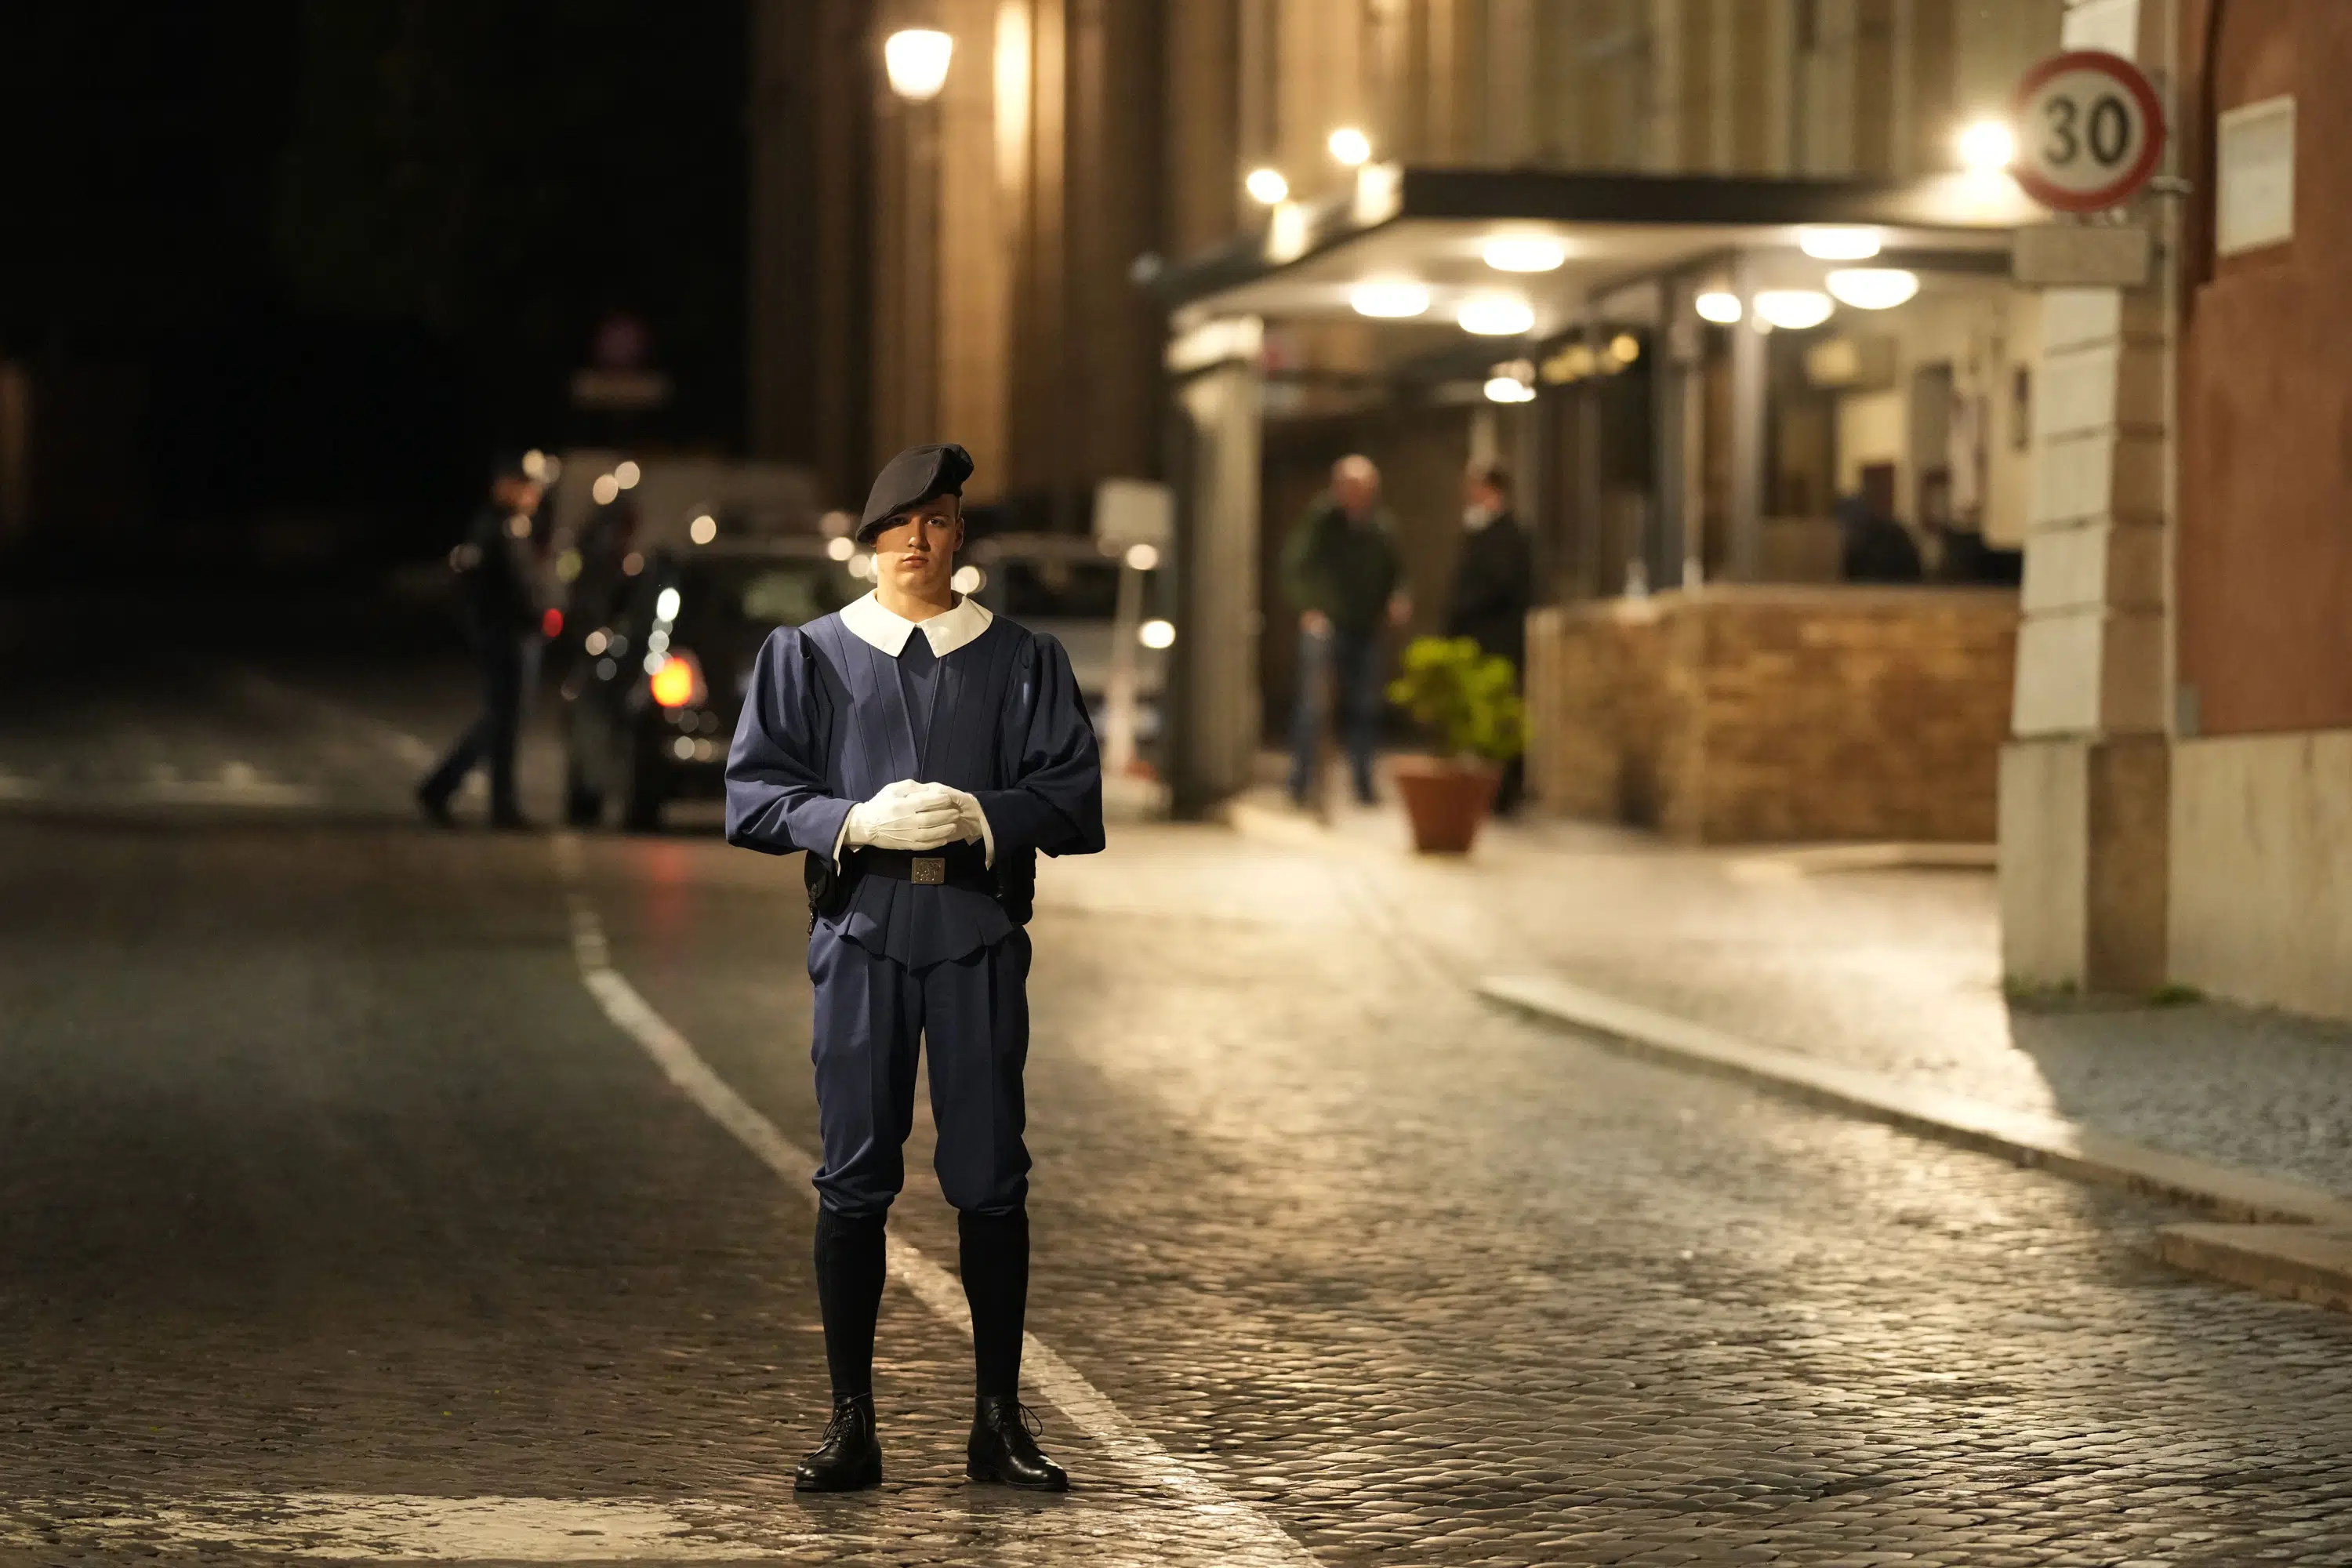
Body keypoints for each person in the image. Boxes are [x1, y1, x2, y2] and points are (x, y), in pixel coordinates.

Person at [724, 443, 1104, 1494]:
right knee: (853, 1179)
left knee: (991, 1179)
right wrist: (848, 819)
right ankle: (854, 1424)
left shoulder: (1023, 659)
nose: (917, 542)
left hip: (977, 929)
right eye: (899, 524)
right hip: (861, 931)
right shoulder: (807, 656)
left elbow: (1073, 797)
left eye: (937, 521)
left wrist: (991, 813)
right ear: (871, 537)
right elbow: (753, 797)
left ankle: (997, 1422)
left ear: (959, 537)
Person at [417, 454, 550, 829]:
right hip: (507, 635)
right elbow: (506, 586)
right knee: (502, 720)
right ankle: (452, 790)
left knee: (505, 721)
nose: (534, 493)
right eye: (527, 485)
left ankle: (485, 799)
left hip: (513, 634)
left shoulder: (512, 526)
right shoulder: (498, 527)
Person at [1281, 455, 1410, 807]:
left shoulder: (1381, 528)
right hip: (1327, 626)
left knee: (1366, 707)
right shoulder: (1321, 523)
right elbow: (1296, 567)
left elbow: (1396, 574)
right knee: (1314, 706)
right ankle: (1301, 782)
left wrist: (1396, 599)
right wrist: (1310, 608)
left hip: (1364, 628)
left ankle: (1363, 784)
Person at [1443, 459, 1534, 815]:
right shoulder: (1482, 532)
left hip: (1497, 640)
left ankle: (1504, 790)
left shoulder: (1505, 535)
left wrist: (1464, 609)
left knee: (1500, 712)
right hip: (1480, 638)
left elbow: (1498, 585)